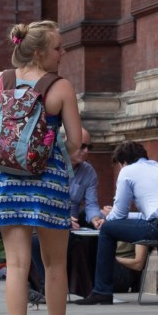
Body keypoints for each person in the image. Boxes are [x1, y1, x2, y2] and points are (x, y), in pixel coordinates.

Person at [0, 20, 87, 315]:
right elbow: (76, 142)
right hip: (48, 182)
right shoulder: (60, 87)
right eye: (58, 48)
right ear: (39, 53)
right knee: (54, 264)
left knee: (17, 263)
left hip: (8, 183)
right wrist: (54, 156)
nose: (63, 52)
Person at [77, 141, 158, 305]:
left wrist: (106, 220)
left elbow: (119, 214)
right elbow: (149, 216)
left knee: (108, 230)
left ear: (123, 162)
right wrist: (120, 216)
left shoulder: (127, 171)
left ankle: (102, 291)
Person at [31, 128, 103, 299]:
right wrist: (61, 216)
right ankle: (43, 288)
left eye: (89, 147)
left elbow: (92, 204)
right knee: (35, 241)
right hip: (45, 222)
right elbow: (40, 200)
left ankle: (94, 290)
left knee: (96, 238)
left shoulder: (88, 171)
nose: (86, 151)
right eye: (82, 146)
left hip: (72, 227)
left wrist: (96, 219)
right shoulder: (49, 165)